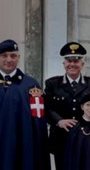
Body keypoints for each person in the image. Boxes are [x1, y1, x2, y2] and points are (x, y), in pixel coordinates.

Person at [44, 41, 90, 170]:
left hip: (87, 139)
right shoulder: (52, 84)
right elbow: (47, 108)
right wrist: (59, 121)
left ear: (82, 64)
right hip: (61, 139)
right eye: (69, 61)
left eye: (76, 61)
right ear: (64, 64)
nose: (72, 64)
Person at [0, 39, 50, 170]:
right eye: (4, 56)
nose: (9, 59)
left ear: (19, 58)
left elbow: (38, 124)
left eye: (13, 55)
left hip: (22, 147)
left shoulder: (31, 86)